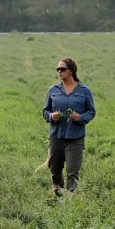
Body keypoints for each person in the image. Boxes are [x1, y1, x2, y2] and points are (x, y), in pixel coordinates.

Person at [44, 56, 95, 194]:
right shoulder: (53, 90)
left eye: (63, 69)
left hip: (75, 138)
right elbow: (45, 111)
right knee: (55, 170)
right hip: (56, 137)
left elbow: (91, 112)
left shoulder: (84, 91)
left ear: (71, 71)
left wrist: (80, 117)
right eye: (58, 69)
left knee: (72, 172)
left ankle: (71, 203)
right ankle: (58, 197)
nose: (59, 72)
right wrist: (51, 116)